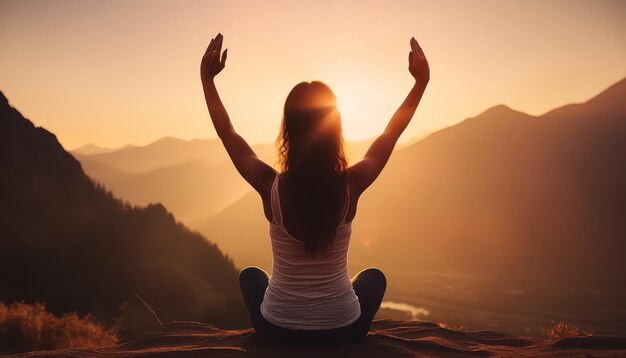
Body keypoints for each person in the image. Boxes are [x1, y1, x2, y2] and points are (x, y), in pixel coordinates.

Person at [200, 33, 429, 344]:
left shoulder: (271, 187)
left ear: (288, 130)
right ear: (334, 128)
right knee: (373, 278)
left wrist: (207, 79)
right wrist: (420, 83)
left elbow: (227, 133)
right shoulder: (351, 184)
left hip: (277, 331)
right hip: (344, 330)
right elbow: (391, 133)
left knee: (251, 277)